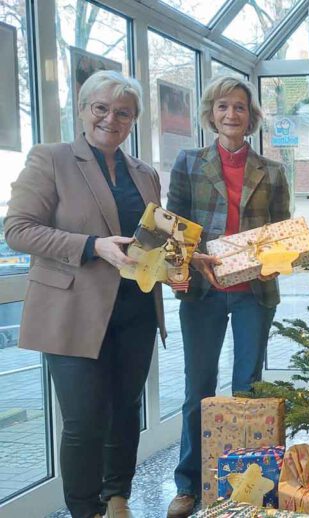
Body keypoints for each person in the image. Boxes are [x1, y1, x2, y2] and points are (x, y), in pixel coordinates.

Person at [5, 70, 165, 518]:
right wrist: (92, 246)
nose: (111, 119)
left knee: (126, 410)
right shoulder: (51, 158)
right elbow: (17, 230)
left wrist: (180, 265)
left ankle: (117, 498)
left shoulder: (145, 173)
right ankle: (84, 510)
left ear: (133, 121)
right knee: (83, 421)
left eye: (124, 113)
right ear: (82, 109)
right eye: (102, 108)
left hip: (136, 310)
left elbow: (150, 241)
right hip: (72, 311)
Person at [166, 75, 290, 518]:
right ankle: (187, 485)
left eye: (239, 107)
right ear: (210, 114)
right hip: (202, 290)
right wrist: (190, 262)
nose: (231, 115)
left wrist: (281, 254)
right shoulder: (188, 162)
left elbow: (282, 233)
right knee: (197, 387)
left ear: (251, 116)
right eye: (223, 107)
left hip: (254, 292)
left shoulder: (273, 171)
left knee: (248, 389)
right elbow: (174, 230)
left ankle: (246, 485)